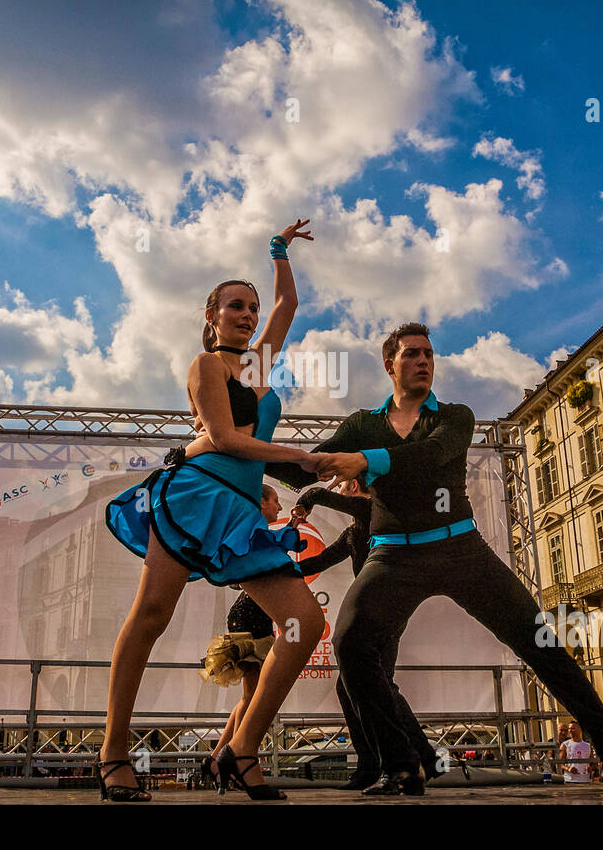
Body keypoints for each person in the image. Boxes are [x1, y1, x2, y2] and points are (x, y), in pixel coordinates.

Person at [266, 324, 603, 794]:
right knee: (350, 647)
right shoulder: (363, 424)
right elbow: (303, 470)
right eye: (411, 355)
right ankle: (403, 766)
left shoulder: (455, 417)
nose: (423, 361)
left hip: (460, 549)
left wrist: (367, 462)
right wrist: (241, 449)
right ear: (389, 365)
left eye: (428, 354)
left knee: (543, 646)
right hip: (393, 557)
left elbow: (431, 456)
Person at [100, 221, 330, 801]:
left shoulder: (255, 368)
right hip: (195, 496)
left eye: (251, 308)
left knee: (303, 624)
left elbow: (289, 303)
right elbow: (226, 440)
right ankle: (113, 754)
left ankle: (240, 749)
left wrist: (278, 252)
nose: (248, 315)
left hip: (240, 514)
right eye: (235, 306)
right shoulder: (206, 366)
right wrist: (300, 457)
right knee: (151, 615)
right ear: (212, 318)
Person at [288, 478, 441, 790]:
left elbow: (319, 494)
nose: (340, 491)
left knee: (374, 683)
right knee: (360, 686)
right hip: (375, 611)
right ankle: (389, 761)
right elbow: (320, 561)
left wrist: (306, 503)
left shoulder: (374, 511)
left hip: (388, 608)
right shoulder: (352, 533)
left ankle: (407, 760)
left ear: (354, 486)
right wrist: (282, 566)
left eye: (343, 485)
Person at [200, 483, 283, 785]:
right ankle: (227, 758)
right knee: (253, 697)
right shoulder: (251, 531)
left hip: (251, 615)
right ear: (261, 503)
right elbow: (243, 573)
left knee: (249, 698)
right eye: (276, 502)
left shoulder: (257, 531)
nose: (280, 508)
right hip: (251, 617)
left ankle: (219, 758)